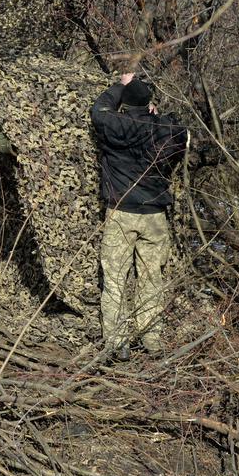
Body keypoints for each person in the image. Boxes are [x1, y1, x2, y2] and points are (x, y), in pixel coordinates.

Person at [90, 72, 188, 360]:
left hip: (121, 214)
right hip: (155, 216)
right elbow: (181, 130)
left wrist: (120, 86)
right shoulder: (168, 129)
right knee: (151, 277)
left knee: (115, 279)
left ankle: (117, 343)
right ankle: (151, 338)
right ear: (149, 104)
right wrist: (154, 116)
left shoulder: (114, 125)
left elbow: (98, 110)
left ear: (124, 104)